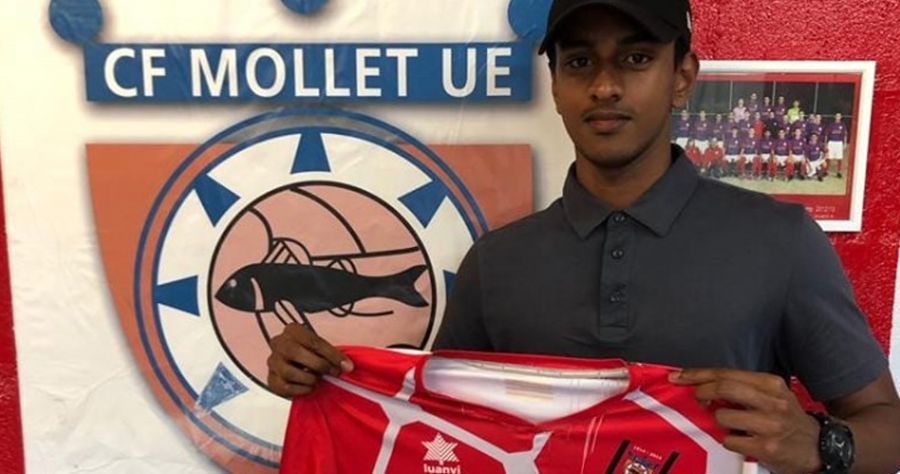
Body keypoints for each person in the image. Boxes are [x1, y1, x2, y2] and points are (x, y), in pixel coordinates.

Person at [266, 1, 900, 473]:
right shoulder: (496, 262)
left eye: (635, 58)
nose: (604, 85)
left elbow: (888, 427)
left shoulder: (781, 242)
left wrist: (822, 444)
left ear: (682, 75)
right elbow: (440, 427)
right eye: (578, 62)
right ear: (556, 86)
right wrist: (329, 378)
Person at [826, 112, 848, 178]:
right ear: (835, 117)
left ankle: (838, 172)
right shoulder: (831, 124)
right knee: (828, 157)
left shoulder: (843, 125)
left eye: (839, 116)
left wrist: (845, 143)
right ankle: (826, 171)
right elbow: (827, 134)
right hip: (831, 142)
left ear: (841, 117)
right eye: (836, 116)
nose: (838, 117)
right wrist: (826, 143)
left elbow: (845, 135)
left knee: (839, 157)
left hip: (839, 143)